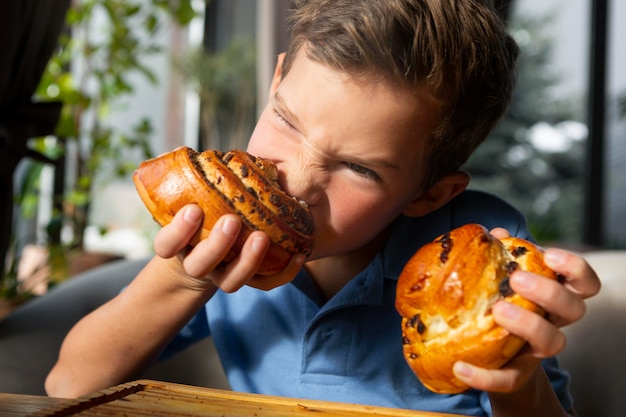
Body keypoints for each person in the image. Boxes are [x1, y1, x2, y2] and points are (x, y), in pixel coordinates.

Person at [45, 1, 600, 416]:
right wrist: (182, 277)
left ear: (430, 194)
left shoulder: (479, 247)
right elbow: (68, 385)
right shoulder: (219, 239)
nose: (299, 180)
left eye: (359, 169)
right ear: (277, 78)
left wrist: (514, 375)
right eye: (286, 121)